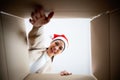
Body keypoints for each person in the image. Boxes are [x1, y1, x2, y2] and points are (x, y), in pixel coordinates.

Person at [28, 7, 72, 76]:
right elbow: (36, 37)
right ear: (51, 42)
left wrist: (59, 76)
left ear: (60, 53)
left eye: (60, 48)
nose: (56, 48)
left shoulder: (50, 68)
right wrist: (38, 26)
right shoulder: (38, 48)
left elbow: (47, 77)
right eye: (56, 43)